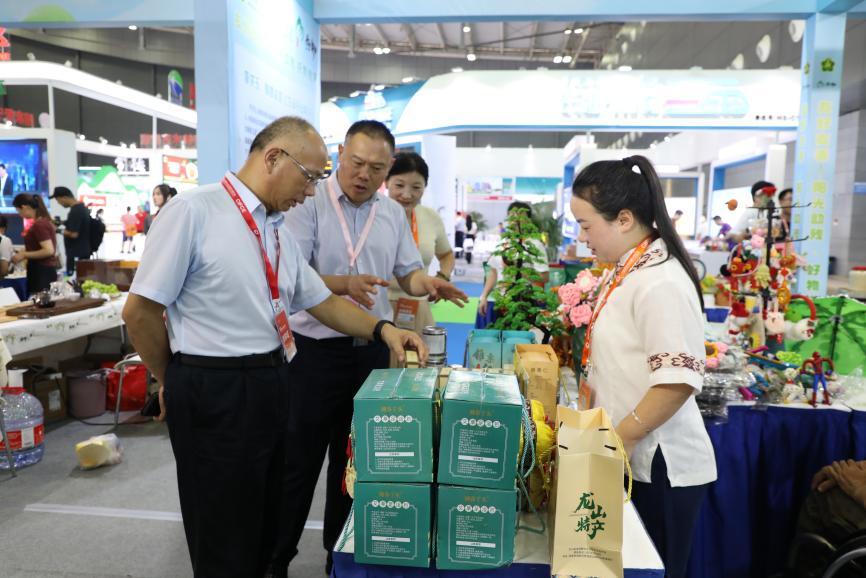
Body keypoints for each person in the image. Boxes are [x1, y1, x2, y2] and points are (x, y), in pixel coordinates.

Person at [121, 116, 428, 578]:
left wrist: (383, 328)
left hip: (273, 377)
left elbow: (320, 300)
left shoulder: (276, 227)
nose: (310, 192)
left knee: (265, 514)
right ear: (272, 158)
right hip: (213, 385)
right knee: (222, 528)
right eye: (309, 178)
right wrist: (174, 378)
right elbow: (139, 312)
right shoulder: (194, 211)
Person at [271, 120, 467, 576]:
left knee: (356, 469)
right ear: (340, 154)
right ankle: (275, 560)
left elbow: (405, 275)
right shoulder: (308, 201)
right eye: (357, 163)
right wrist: (344, 284)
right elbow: (290, 274)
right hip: (312, 353)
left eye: (377, 168)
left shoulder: (391, 213)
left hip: (372, 357)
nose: (364, 174)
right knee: (296, 464)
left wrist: (427, 283)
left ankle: (338, 562)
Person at [569, 155, 716, 578]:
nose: (584, 239)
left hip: (661, 465)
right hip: (632, 456)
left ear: (624, 218)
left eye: (586, 225)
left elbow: (677, 382)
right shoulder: (629, 270)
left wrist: (621, 437)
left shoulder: (661, 281)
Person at [386, 152, 455, 334]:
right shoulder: (372, 216)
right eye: (399, 185)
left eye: (416, 187)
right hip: (377, 309)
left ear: (425, 187)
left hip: (419, 307)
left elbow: (446, 254)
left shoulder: (430, 217)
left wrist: (442, 278)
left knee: (421, 360)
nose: (407, 195)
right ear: (386, 182)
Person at [478, 201, 549, 319]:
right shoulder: (503, 242)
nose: (515, 220)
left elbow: (545, 277)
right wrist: (484, 296)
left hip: (525, 302)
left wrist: (517, 270)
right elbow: (493, 272)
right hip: (501, 300)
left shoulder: (535, 245)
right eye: (512, 216)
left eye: (520, 217)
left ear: (528, 220)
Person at [11, 193, 60, 293]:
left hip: (41, 272)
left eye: (18, 210)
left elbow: (49, 250)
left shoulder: (39, 225)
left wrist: (24, 254)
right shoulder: (43, 222)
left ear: (24, 207)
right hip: (43, 271)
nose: (19, 214)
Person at [50, 186, 91, 276]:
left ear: (64, 197)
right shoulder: (80, 208)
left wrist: (57, 230)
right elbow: (74, 224)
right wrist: (60, 222)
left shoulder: (76, 211)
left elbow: (74, 234)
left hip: (76, 254)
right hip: (80, 252)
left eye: (58, 200)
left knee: (75, 280)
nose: (59, 203)